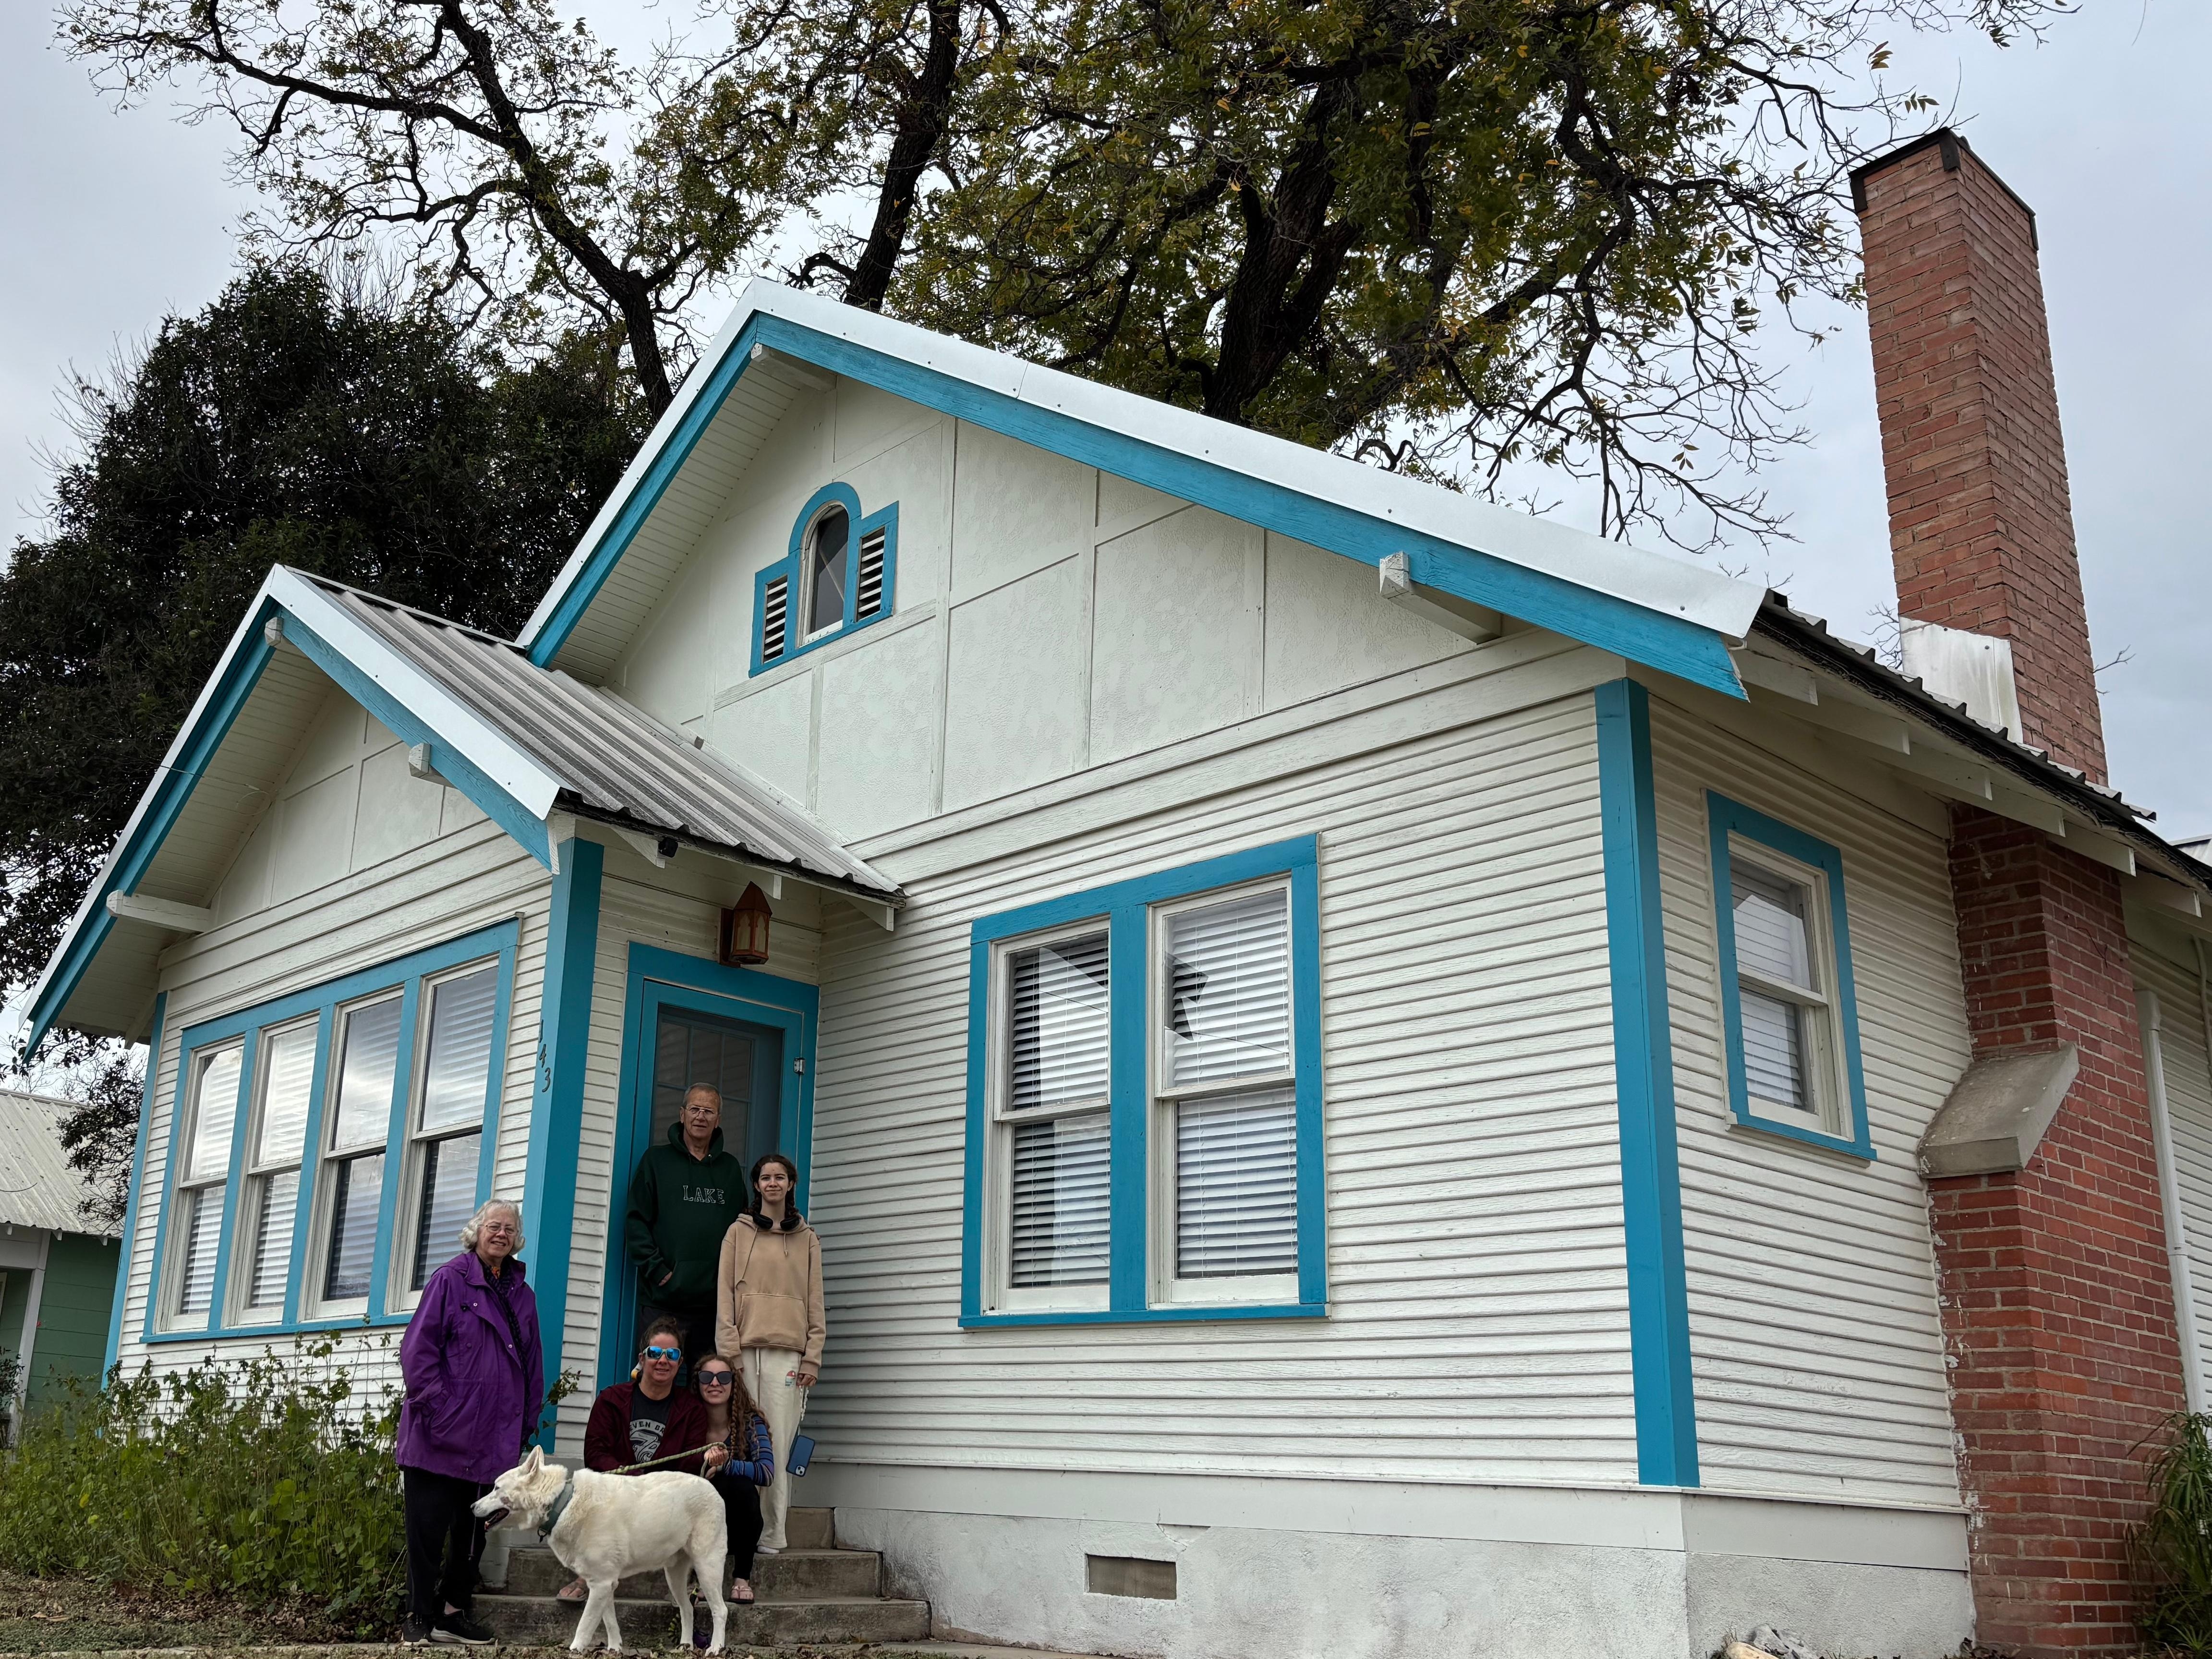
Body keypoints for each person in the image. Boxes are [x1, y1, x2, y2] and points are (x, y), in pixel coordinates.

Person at [396, 1198, 544, 1647]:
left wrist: (524, 1422)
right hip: (438, 1434)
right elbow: (418, 1352)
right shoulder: (450, 1279)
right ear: (477, 1231)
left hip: (492, 1439)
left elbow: (532, 1364)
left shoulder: (522, 1294)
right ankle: (419, 1615)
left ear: (517, 1239)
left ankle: (453, 1613)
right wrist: (440, 1409)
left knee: (473, 1533)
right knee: (427, 1530)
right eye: (494, 1226)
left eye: (509, 1229)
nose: (501, 1234)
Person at [557, 1317, 731, 1603]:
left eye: (671, 1354)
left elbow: (689, 1463)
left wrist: (707, 1460)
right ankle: (588, 1576)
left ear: (680, 1362)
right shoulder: (611, 1400)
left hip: (663, 1500)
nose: (663, 1360)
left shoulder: (691, 1409)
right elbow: (596, 1454)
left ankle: (682, 1581)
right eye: (655, 1353)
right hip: (617, 1492)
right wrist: (633, 1482)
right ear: (642, 1358)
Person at [714, 1152, 824, 1555]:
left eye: (780, 1177)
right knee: (742, 1441)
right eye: (765, 1177)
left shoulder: (807, 1238)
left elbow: (816, 1302)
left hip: (788, 1355)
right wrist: (729, 1350)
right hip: (744, 1351)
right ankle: (738, 1526)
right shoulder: (737, 1232)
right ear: (757, 1185)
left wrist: (812, 1356)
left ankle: (773, 1532)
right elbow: (725, 1295)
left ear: (791, 1184)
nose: (773, 1183)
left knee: (777, 1443)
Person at [625, 1083, 750, 1373]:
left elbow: (744, 1229)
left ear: (718, 1120)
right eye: (695, 1109)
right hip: (662, 1301)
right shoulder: (656, 1162)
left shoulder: (730, 1169)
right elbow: (636, 1221)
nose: (701, 1116)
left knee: (708, 1384)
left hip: (713, 1307)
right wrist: (658, 1271)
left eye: (709, 1111)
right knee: (655, 1377)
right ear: (682, 1115)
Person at [693, 1356, 774, 1606]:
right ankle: (701, 1579)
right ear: (697, 1383)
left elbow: (767, 1472)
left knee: (740, 1485)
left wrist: (726, 1466)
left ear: (734, 1383)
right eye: (707, 1377)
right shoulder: (688, 1420)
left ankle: (742, 1578)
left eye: (724, 1377)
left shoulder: (750, 1423)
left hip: (737, 1524)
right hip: (697, 1522)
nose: (715, 1384)